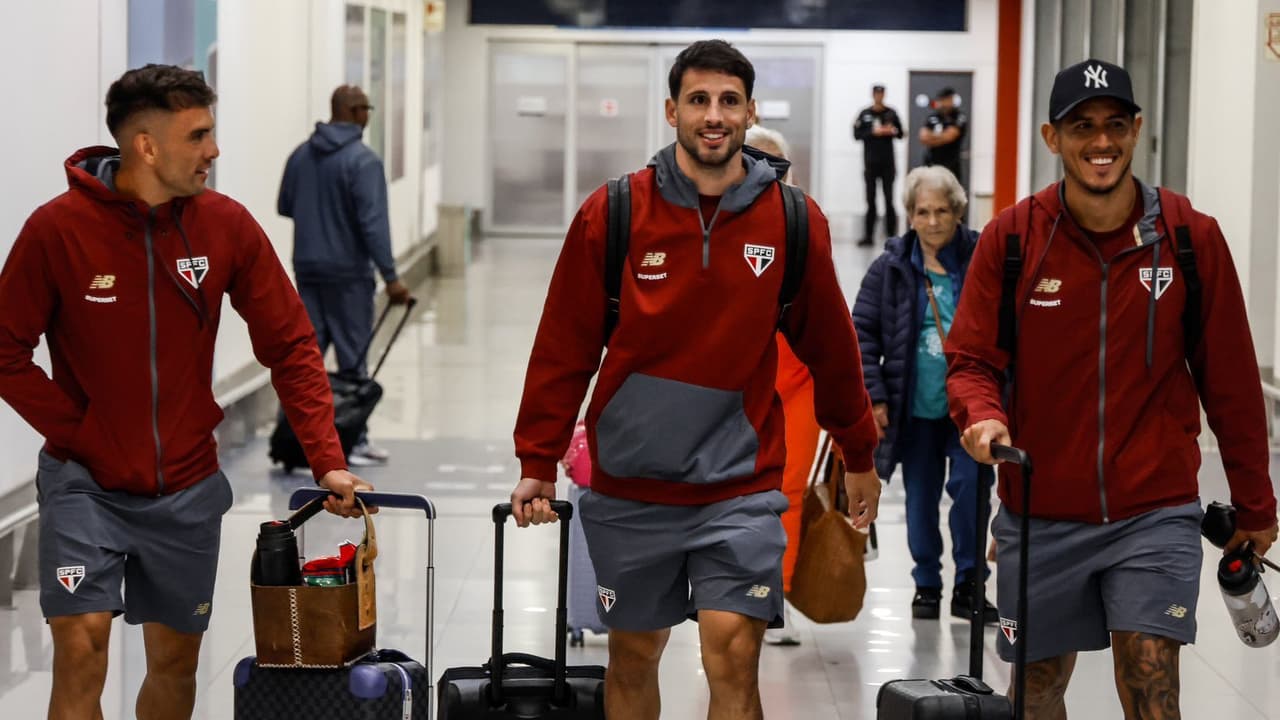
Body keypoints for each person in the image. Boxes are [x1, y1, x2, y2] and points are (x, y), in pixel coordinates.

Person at [509, 40, 882, 720]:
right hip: (632, 482)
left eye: (729, 101)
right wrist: (538, 458)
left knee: (734, 654)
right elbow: (562, 347)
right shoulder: (615, 212)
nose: (714, 115)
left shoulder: (792, 221)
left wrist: (858, 452)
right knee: (634, 655)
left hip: (738, 482)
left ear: (749, 112)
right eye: (699, 100)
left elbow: (833, 350)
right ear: (671, 110)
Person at [0, 64, 372, 720]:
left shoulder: (223, 226)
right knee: (81, 646)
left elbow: (290, 344)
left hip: (188, 487)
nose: (214, 150)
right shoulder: (56, 231)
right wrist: (79, 433)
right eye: (198, 135)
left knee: (174, 663)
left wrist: (327, 457)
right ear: (146, 145)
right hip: (85, 482)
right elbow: (4, 349)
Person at [946, 58, 1278, 719]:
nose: (1101, 141)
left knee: (1154, 685)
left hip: (1153, 509)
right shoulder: (1014, 240)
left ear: (1137, 131)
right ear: (1052, 138)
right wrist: (982, 417)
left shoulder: (1189, 239)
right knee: (1035, 693)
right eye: (1082, 128)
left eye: (1115, 125)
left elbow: (1233, 382)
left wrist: (1255, 502)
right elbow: (971, 360)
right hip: (1040, 510)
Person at [852, 165, 997, 623]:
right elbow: (862, 334)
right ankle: (927, 585)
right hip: (913, 407)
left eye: (941, 211)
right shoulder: (890, 268)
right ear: (909, 216)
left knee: (973, 490)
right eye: (922, 212)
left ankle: (970, 584)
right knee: (920, 497)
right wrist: (874, 397)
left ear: (958, 212)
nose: (932, 221)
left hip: (971, 408)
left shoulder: (982, 260)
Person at [278, 84, 412, 467]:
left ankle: (301, 443)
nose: (368, 116)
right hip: (349, 275)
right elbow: (373, 224)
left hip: (307, 268)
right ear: (355, 112)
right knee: (353, 361)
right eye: (366, 109)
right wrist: (391, 276)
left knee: (308, 360)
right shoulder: (363, 161)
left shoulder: (301, 155)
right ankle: (352, 441)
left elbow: (285, 205)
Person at [744, 124, 822, 647]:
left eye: (778, 168)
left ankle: (775, 596)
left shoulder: (805, 224)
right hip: (734, 384)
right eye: (755, 163)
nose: (767, 177)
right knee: (735, 497)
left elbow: (830, 319)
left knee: (787, 494)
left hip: (797, 385)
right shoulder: (709, 225)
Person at [853, 84, 904, 247]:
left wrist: (891, 131)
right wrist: (873, 133)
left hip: (888, 164)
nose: (879, 96)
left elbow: (901, 133)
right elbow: (856, 134)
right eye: (876, 94)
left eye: (881, 94)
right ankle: (868, 236)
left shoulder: (891, 113)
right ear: (873, 95)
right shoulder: (865, 114)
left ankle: (891, 236)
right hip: (870, 164)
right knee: (871, 200)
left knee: (889, 199)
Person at [919, 87, 967, 186]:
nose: (944, 103)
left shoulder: (959, 117)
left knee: (950, 195)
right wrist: (941, 137)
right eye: (942, 100)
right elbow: (923, 137)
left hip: (951, 164)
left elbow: (950, 136)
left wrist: (932, 138)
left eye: (947, 100)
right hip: (932, 163)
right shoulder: (932, 117)